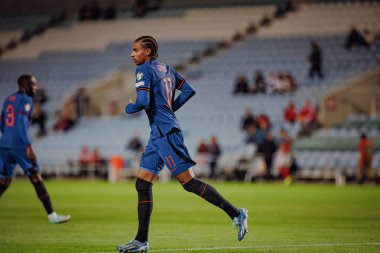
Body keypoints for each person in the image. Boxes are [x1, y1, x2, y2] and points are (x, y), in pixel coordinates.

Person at [116, 36, 248, 253]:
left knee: (189, 183)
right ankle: (141, 242)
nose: (132, 54)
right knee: (142, 183)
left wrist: (128, 108)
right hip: (158, 133)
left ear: (147, 51)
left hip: (166, 133)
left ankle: (236, 213)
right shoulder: (166, 69)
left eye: (135, 50)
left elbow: (142, 102)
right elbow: (189, 91)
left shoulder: (143, 70)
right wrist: (169, 109)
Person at [0, 74, 70, 224]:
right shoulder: (26, 99)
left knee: (4, 181)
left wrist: (6, 136)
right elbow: (20, 123)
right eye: (33, 84)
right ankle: (52, 216)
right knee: (35, 177)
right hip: (18, 144)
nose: (35, 88)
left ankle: (52, 216)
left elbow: (2, 122)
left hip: (4, 144)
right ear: (25, 85)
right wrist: (28, 145)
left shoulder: (8, 100)